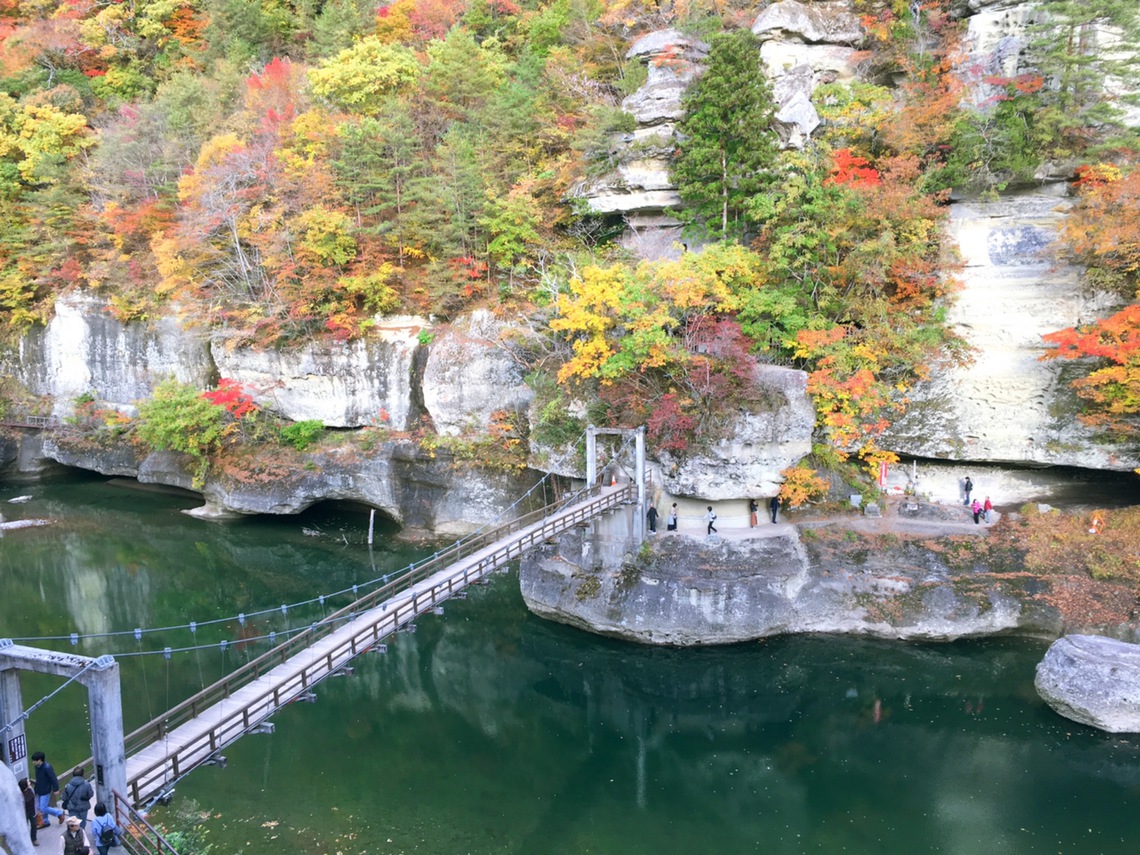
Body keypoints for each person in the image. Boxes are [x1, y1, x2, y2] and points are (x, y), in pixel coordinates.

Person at [32, 751, 64, 827]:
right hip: (39, 789)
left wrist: (56, 789)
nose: (33, 762)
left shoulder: (47, 767)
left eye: (34, 761)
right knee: (41, 807)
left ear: (39, 760)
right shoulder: (37, 767)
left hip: (45, 790)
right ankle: (45, 821)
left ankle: (59, 813)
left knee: (42, 808)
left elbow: (53, 779)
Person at [19, 777, 38, 847]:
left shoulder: (31, 790)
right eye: (28, 782)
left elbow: (34, 800)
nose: (30, 782)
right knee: (25, 828)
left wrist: (36, 810)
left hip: (32, 811)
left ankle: (34, 839)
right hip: (25, 813)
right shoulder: (20, 795)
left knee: (34, 825)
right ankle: (25, 841)